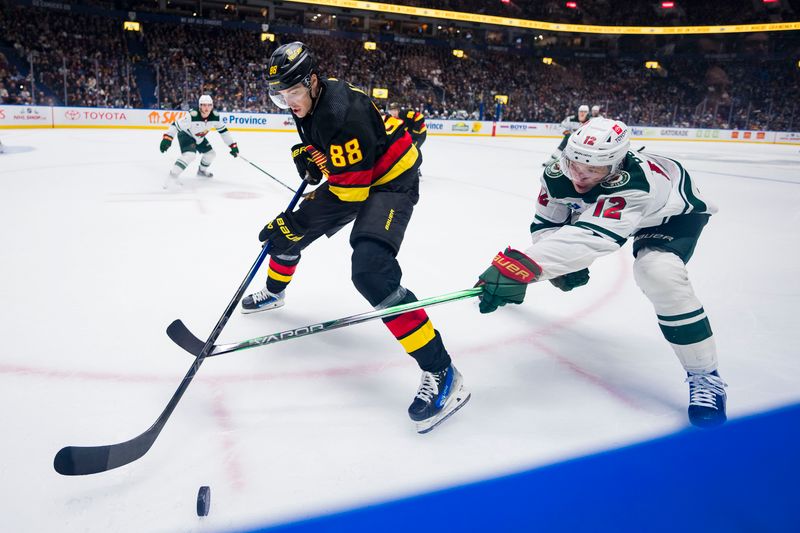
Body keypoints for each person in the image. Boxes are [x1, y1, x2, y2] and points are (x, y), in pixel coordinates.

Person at [242, 42, 469, 433]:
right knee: (288, 233)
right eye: (279, 96)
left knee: (370, 270)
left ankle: (443, 372)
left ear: (312, 82)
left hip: (391, 181)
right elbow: (330, 155)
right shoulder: (309, 100)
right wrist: (309, 153)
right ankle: (276, 292)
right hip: (360, 176)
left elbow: (349, 193)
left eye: (291, 93)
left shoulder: (340, 112)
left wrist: (295, 222)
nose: (287, 102)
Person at [476, 118, 727, 428]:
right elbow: (548, 226)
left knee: (658, 272)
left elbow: (595, 238)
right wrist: (556, 264)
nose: (580, 175)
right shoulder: (556, 175)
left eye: (594, 169)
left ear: (616, 164)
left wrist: (520, 268)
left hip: (670, 216)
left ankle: (704, 374)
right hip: (620, 213)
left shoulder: (635, 183)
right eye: (575, 163)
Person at [159, 94, 239, 189]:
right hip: (186, 135)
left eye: (209, 105)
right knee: (190, 155)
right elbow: (175, 125)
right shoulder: (192, 116)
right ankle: (172, 177)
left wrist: (232, 145)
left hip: (199, 138)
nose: (207, 108)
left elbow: (224, 132)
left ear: (212, 106)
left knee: (211, 154)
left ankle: (201, 171)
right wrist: (167, 138)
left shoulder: (215, 117)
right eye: (204, 105)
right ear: (200, 106)